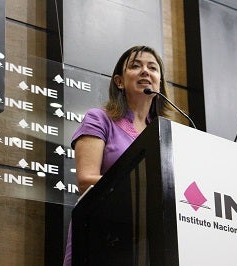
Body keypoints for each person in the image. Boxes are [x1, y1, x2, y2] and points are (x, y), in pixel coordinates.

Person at [63, 45, 172, 265]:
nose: (145, 71)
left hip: (147, 245)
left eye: (152, 67)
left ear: (159, 82)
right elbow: (85, 180)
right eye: (135, 66)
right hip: (101, 238)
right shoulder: (100, 119)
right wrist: (149, 194)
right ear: (119, 81)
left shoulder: (165, 134)